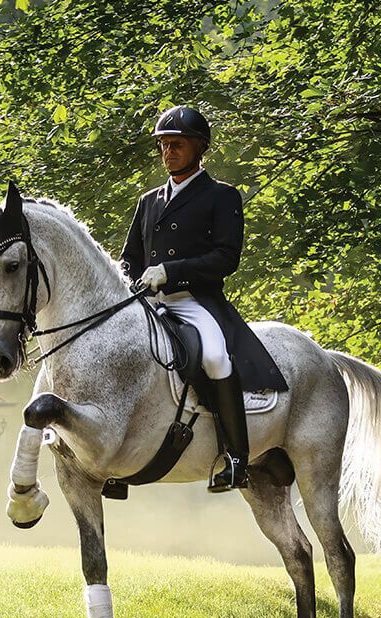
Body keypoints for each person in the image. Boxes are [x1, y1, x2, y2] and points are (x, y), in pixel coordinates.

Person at [119, 106, 288, 492]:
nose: (169, 151)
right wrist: (129, 282)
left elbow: (225, 258)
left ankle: (235, 458)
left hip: (194, 301)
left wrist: (171, 272)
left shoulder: (221, 196)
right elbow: (129, 257)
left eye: (177, 144)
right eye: (164, 145)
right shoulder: (148, 201)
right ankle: (115, 459)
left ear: (200, 148)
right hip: (149, 304)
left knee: (214, 356)